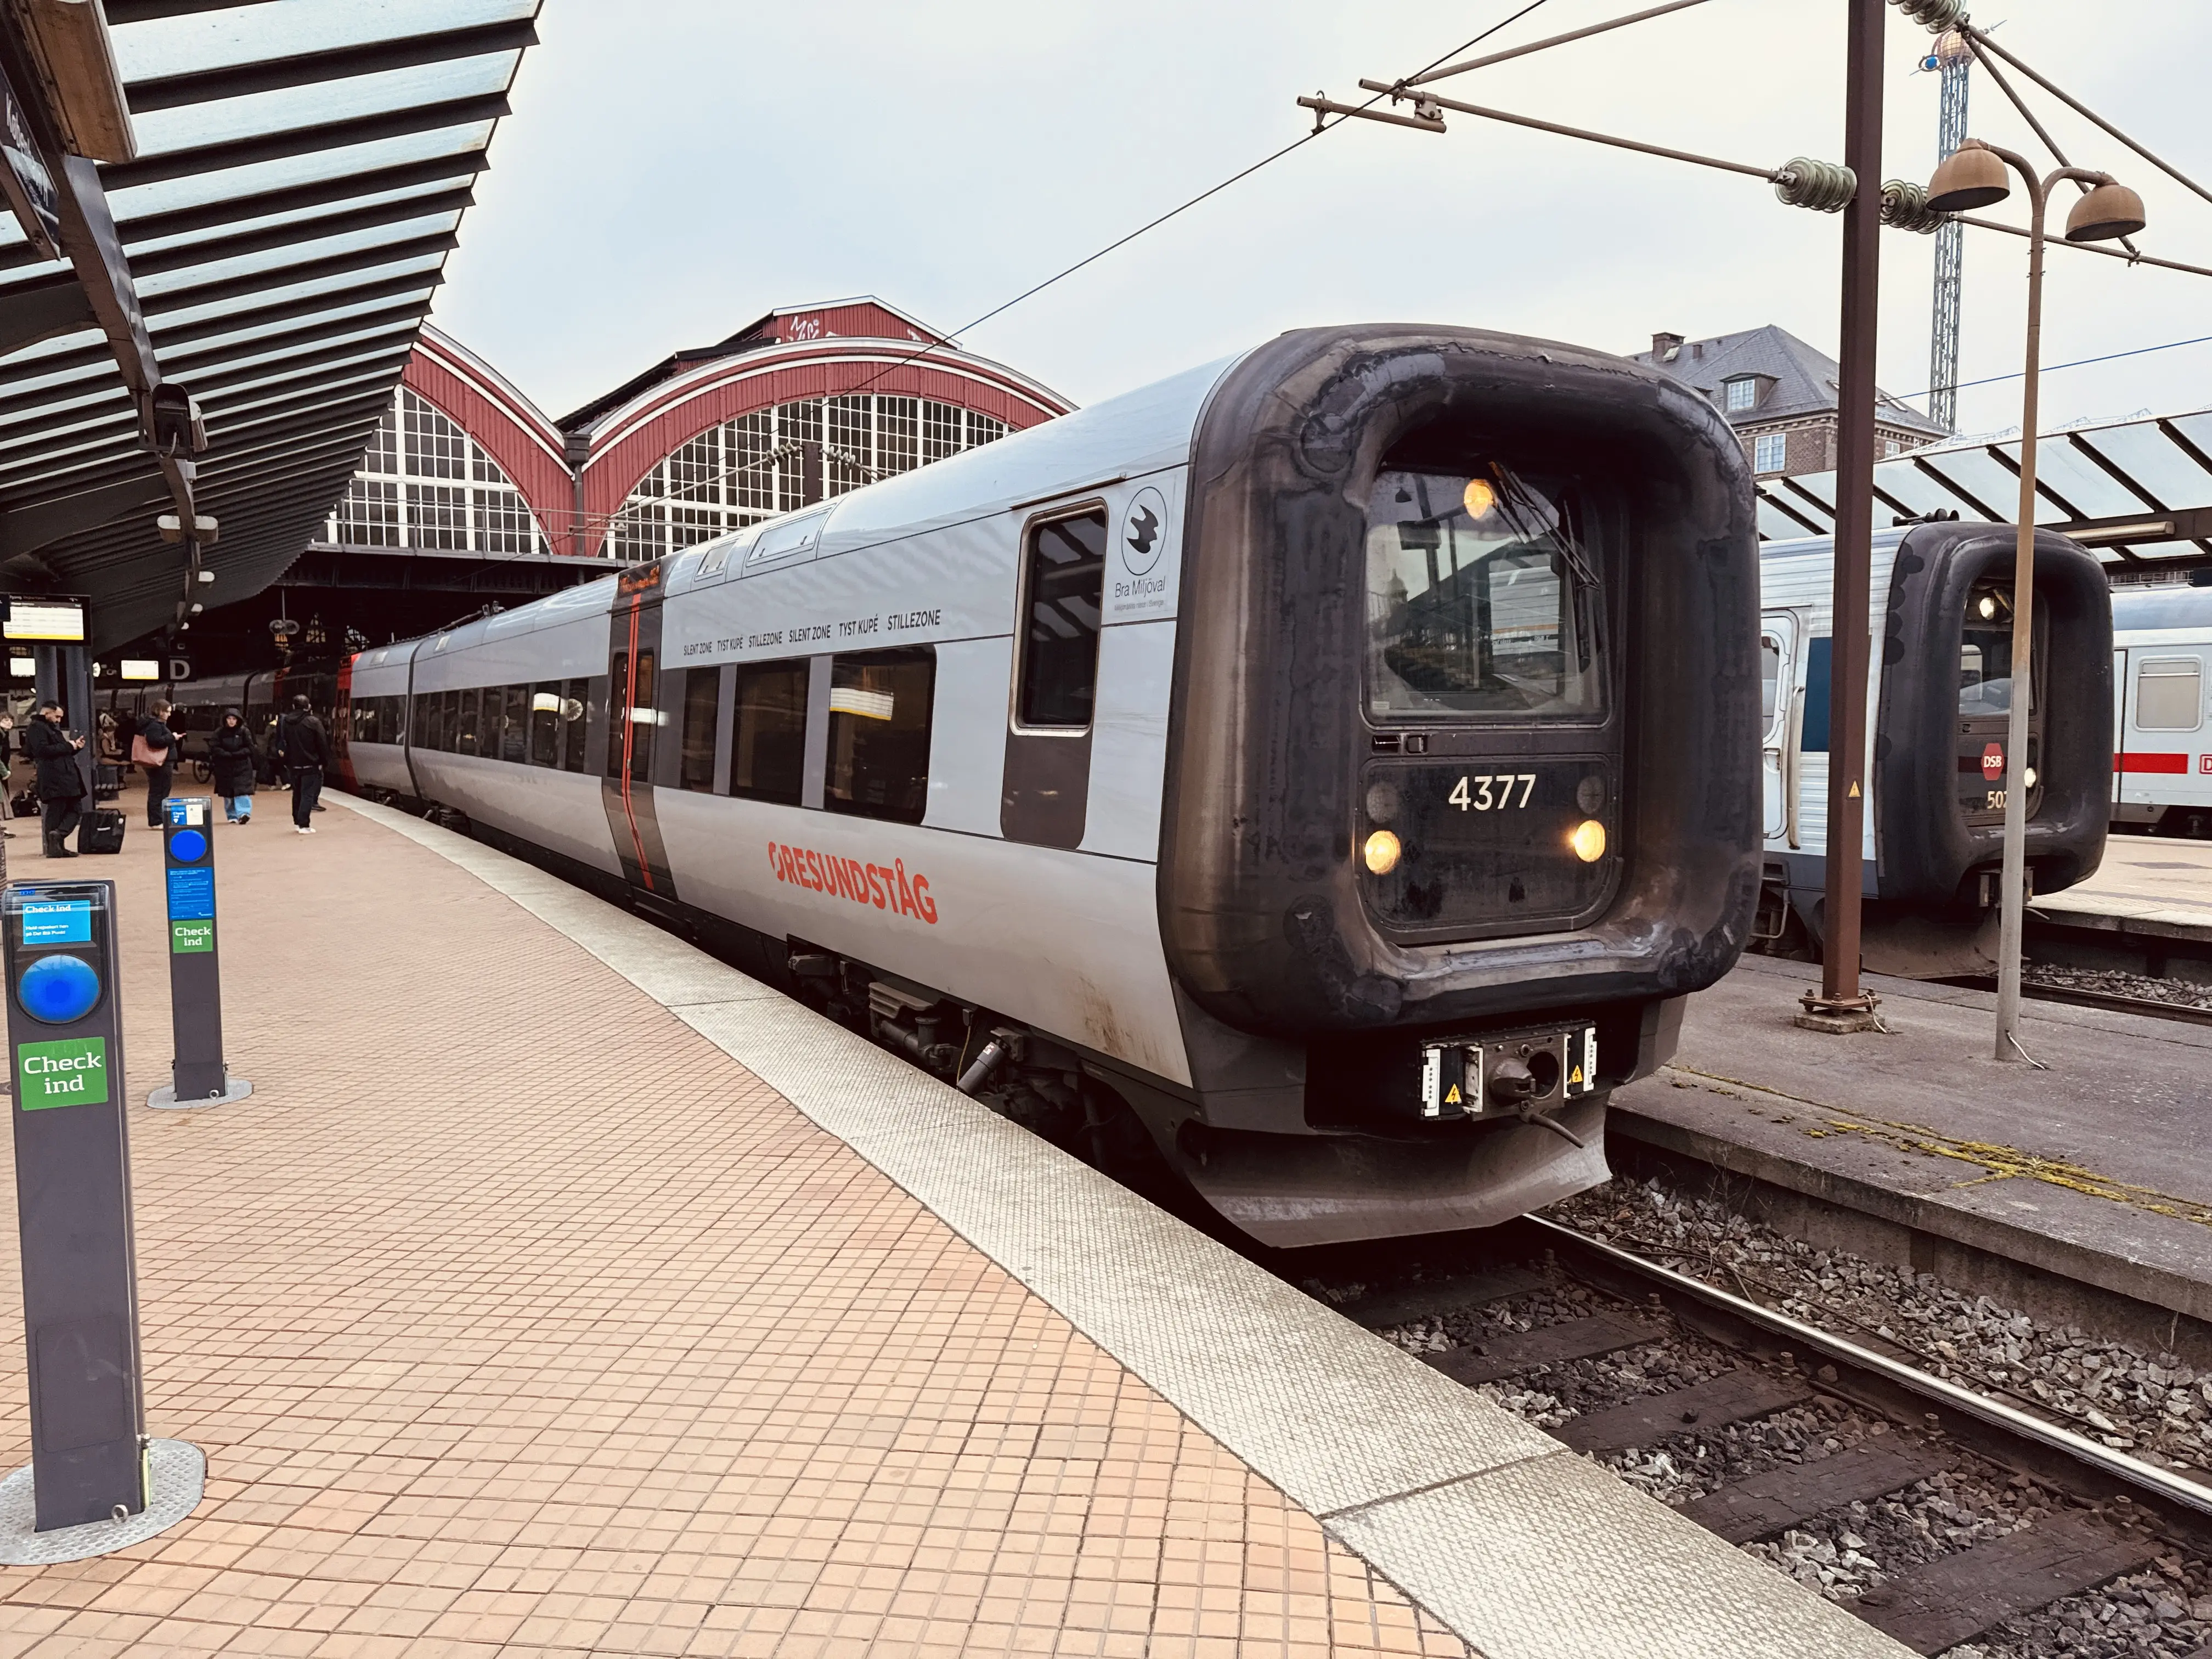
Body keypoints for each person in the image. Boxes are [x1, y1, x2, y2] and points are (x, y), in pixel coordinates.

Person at [25, 701, 86, 858]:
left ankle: (58, 840)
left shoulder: (50, 728)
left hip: (63, 775)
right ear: (48, 713)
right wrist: (69, 746)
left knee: (71, 808)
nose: (59, 720)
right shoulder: (36, 727)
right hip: (55, 777)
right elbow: (42, 750)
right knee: (57, 810)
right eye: (57, 716)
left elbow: (59, 752)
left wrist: (75, 747)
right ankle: (56, 843)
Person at [274, 693, 329, 833]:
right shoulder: (314, 722)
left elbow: (282, 741)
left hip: (293, 764)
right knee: (307, 794)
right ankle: (305, 825)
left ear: (293, 706)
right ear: (308, 707)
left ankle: (297, 822)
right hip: (311, 764)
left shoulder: (285, 722)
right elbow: (322, 744)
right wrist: (324, 761)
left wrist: (285, 760)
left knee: (297, 793)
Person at [134, 699, 178, 828]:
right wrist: (172, 737)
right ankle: (156, 821)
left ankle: (158, 819)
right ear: (159, 711)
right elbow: (155, 741)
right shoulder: (155, 725)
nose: (169, 715)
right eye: (167, 712)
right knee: (159, 791)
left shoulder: (153, 724)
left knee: (159, 790)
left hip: (160, 762)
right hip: (160, 763)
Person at [208, 708, 257, 824]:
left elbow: (250, 748)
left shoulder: (244, 732)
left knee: (242, 791)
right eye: (229, 719)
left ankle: (244, 813)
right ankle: (232, 815)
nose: (231, 721)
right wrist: (225, 754)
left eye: (234, 719)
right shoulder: (219, 733)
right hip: (224, 768)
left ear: (238, 720)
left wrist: (236, 754)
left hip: (242, 766)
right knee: (228, 793)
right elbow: (214, 747)